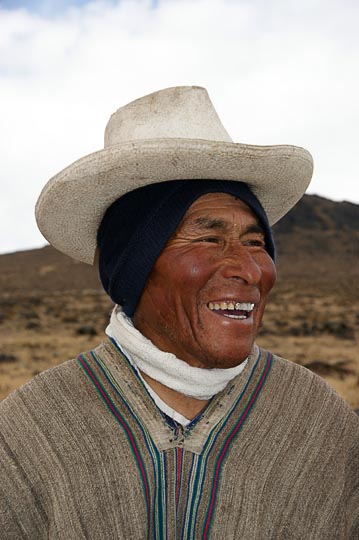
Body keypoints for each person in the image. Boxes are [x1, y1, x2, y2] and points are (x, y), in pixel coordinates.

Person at [0, 86, 358, 539]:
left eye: (255, 242)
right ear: (135, 264)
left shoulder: (318, 423)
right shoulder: (30, 433)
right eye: (208, 239)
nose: (250, 270)